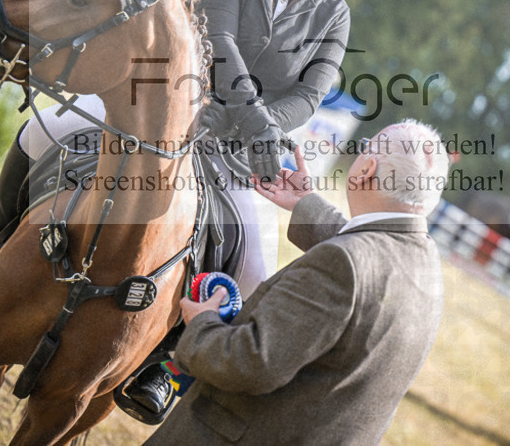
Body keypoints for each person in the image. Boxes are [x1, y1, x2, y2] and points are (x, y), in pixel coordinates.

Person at [0, 0, 367, 418]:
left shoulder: (333, 13)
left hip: (233, 157)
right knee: (39, 130)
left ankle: (164, 366)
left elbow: (311, 96)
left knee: (254, 275)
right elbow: (223, 50)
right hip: (160, 109)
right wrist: (263, 126)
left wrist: (259, 132)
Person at [143, 119, 450, 445]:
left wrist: (201, 322)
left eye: (365, 149)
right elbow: (369, 266)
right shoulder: (426, 264)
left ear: (367, 169)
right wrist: (307, 204)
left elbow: (249, 364)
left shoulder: (342, 265)